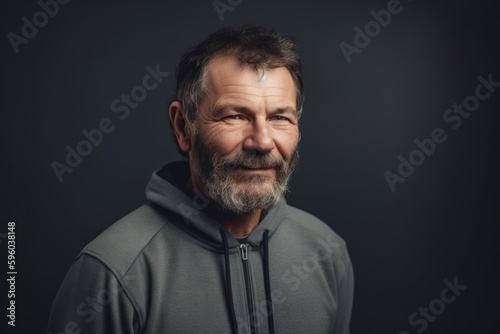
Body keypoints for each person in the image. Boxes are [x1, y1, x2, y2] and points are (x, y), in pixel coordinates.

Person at [47, 25, 354, 334]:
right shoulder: (111, 274)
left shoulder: (326, 252)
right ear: (183, 127)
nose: (262, 142)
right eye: (234, 116)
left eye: (279, 117)